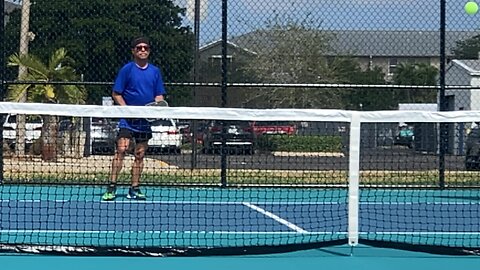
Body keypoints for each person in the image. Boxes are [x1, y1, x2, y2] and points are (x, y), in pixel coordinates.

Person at [102, 36, 166, 201]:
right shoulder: (127, 69)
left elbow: (159, 95)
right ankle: (112, 187)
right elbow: (116, 93)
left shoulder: (155, 72)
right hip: (128, 120)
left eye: (145, 47)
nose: (143, 50)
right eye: (139, 48)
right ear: (133, 51)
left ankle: (134, 188)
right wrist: (126, 110)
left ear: (149, 51)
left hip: (145, 121)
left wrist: (157, 108)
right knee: (121, 150)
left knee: (139, 154)